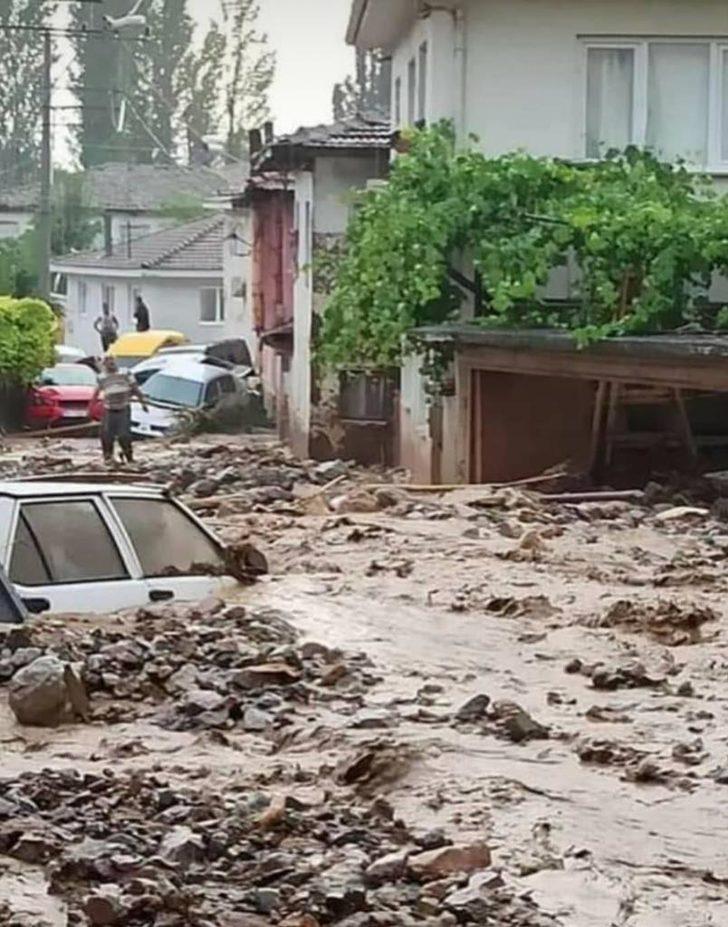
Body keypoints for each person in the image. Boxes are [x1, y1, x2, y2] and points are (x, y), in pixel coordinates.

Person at [90, 356, 148, 465]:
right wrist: (90, 408)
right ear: (104, 365)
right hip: (109, 409)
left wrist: (143, 403)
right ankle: (108, 457)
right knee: (107, 434)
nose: (110, 364)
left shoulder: (125, 373)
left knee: (124, 435)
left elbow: (135, 388)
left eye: (112, 361)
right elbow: (96, 393)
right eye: (107, 362)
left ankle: (129, 457)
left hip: (123, 408)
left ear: (115, 362)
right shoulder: (101, 377)